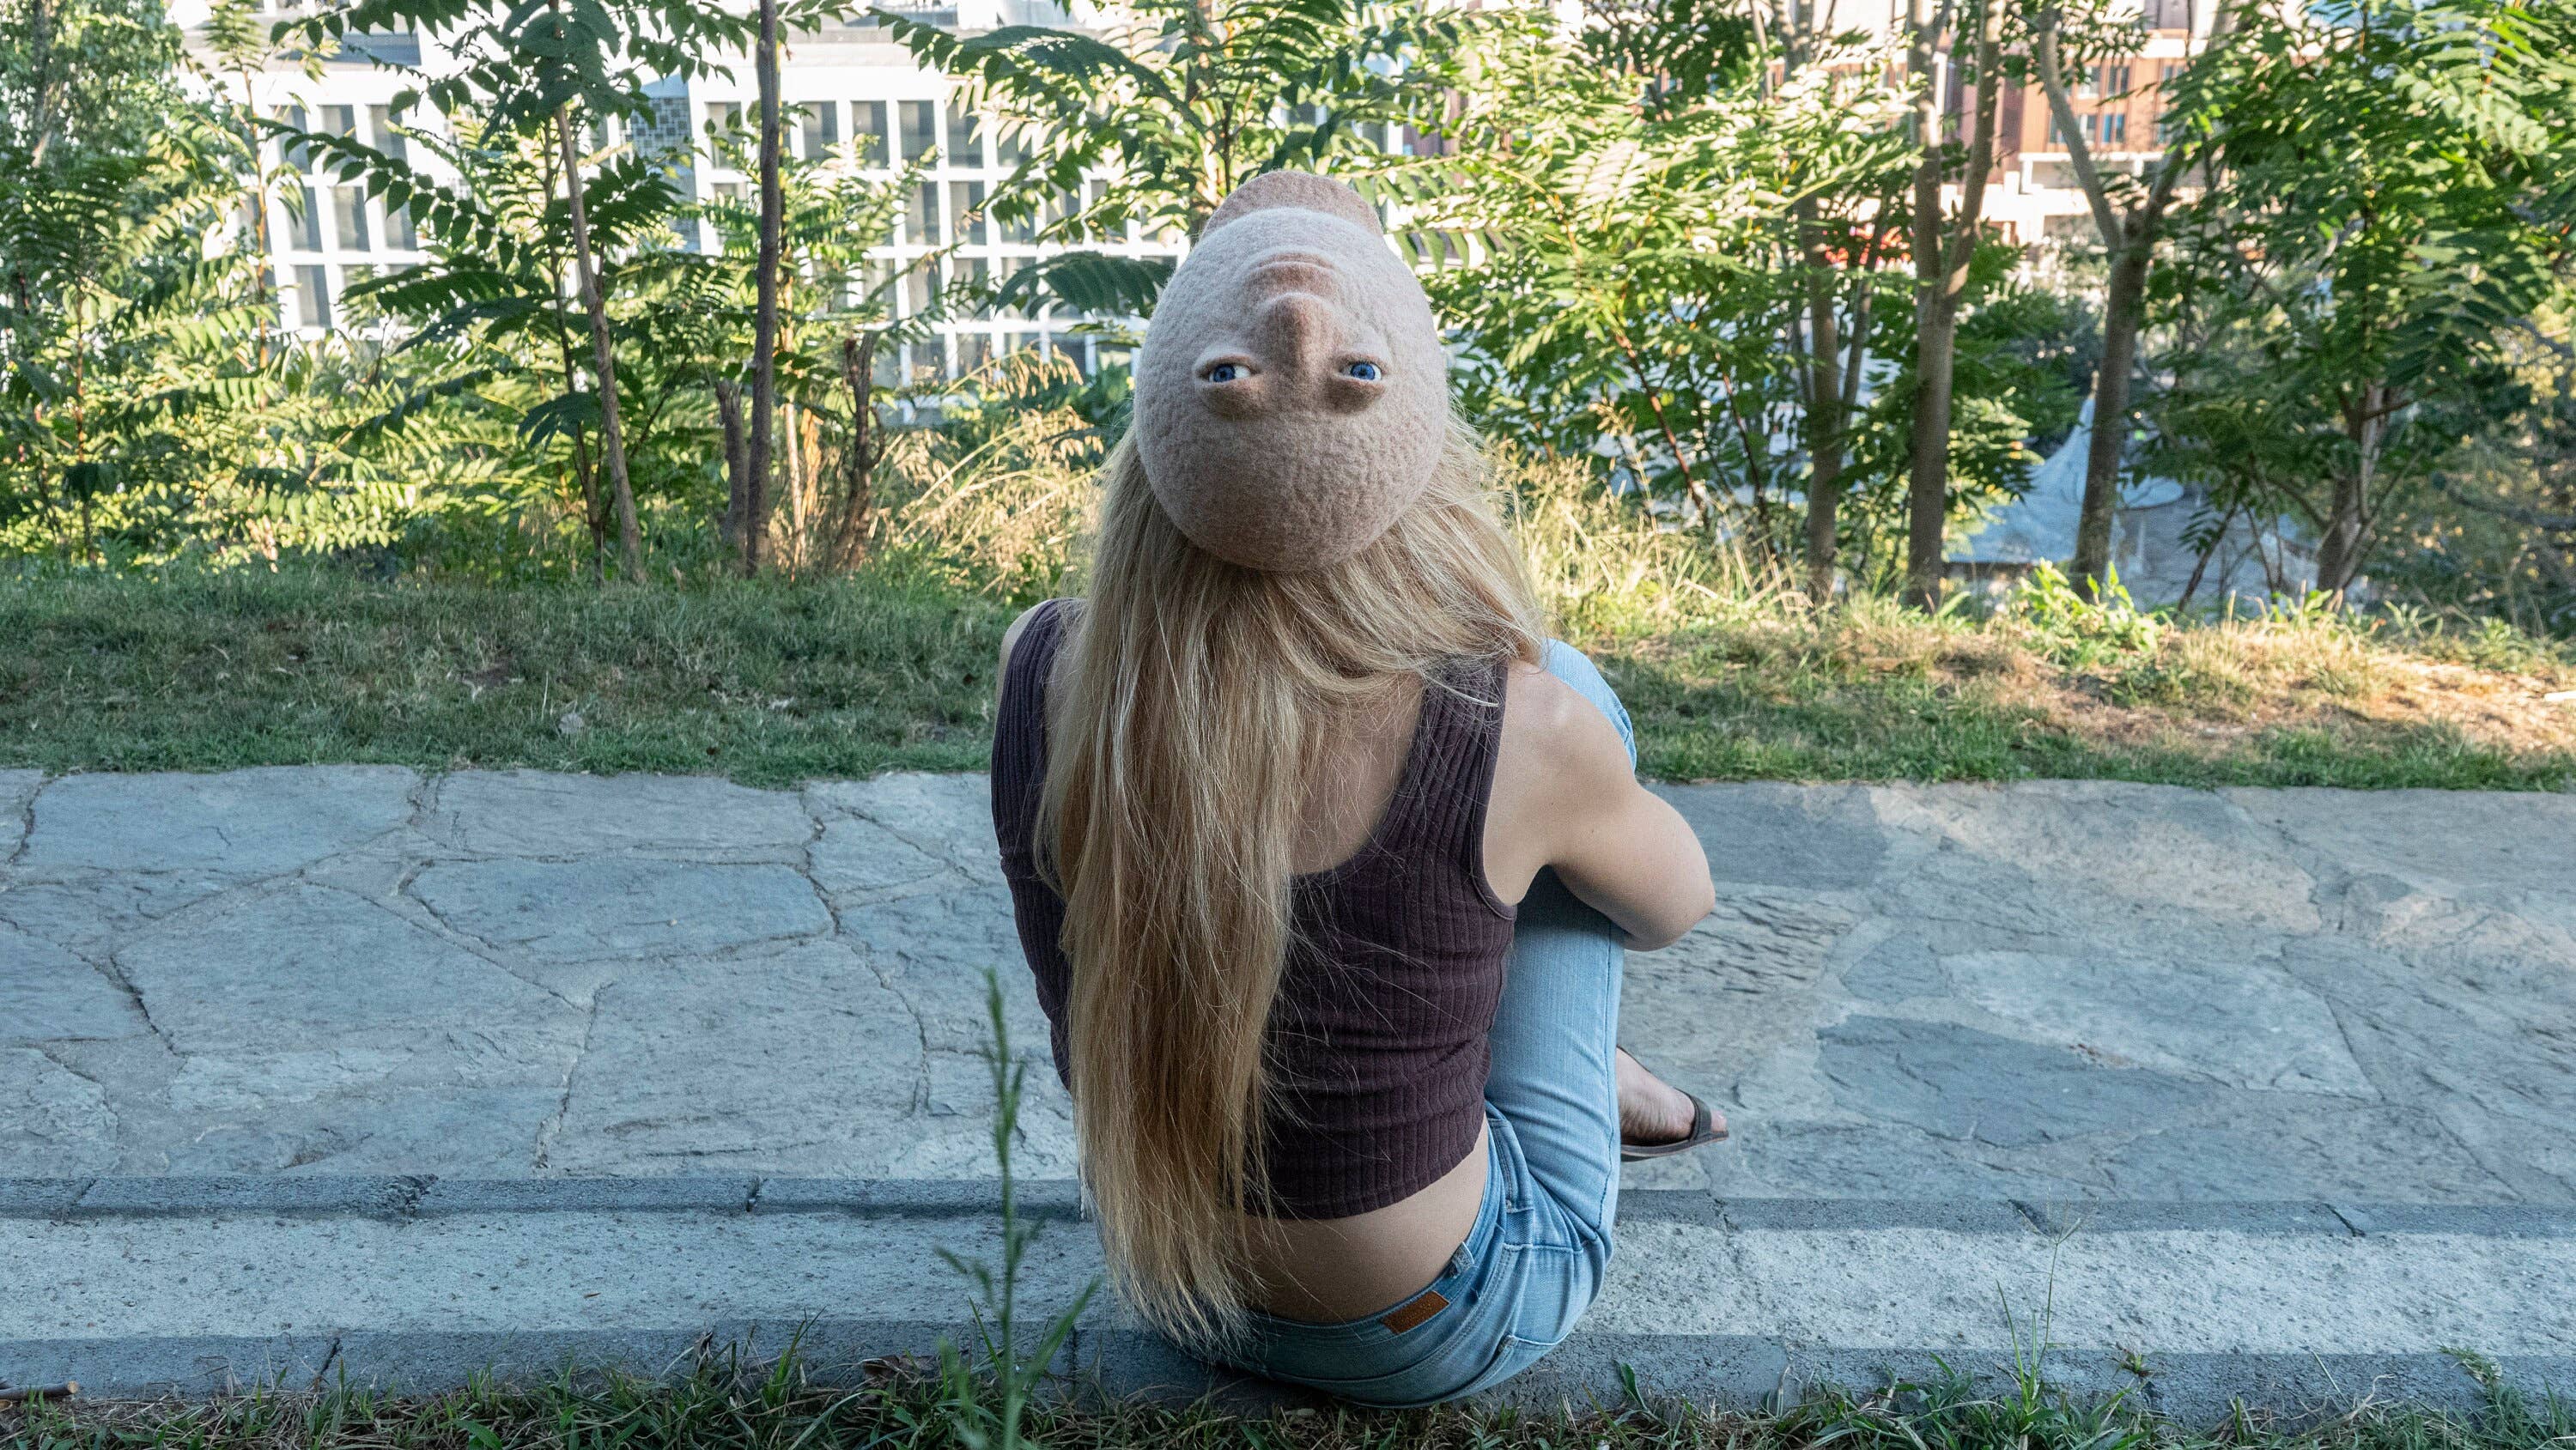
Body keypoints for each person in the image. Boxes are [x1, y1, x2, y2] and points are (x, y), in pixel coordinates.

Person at [988, 171, 1723, 1407]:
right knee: (1566, 703)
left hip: (1172, 1279)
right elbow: (1671, 907)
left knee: (1496, 801)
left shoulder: (1046, 664)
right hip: (1442, 1316)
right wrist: (1545, 754)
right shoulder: (1516, 722)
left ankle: (1540, 1057)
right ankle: (1573, 1068)